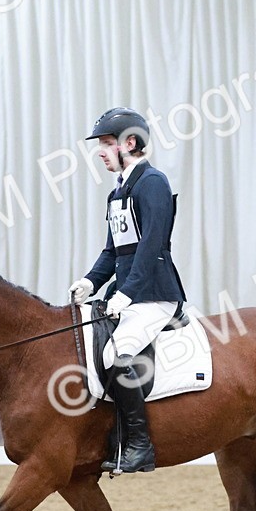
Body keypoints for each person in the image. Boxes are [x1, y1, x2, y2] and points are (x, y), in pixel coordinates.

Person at [69, 107, 187, 474]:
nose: (101, 152)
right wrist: (90, 281)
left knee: (117, 353)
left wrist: (126, 293)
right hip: (130, 292)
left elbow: (151, 246)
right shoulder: (118, 192)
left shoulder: (153, 183)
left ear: (130, 143)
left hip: (155, 294)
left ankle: (139, 446)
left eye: (106, 144)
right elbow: (113, 251)